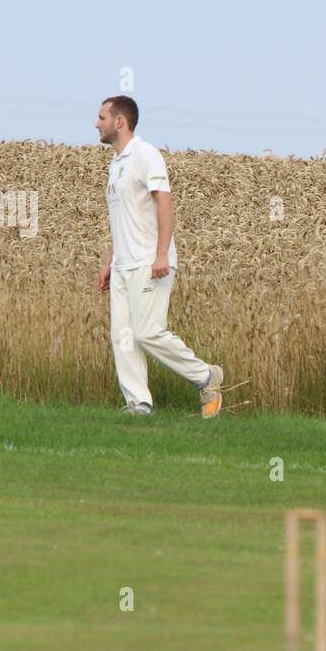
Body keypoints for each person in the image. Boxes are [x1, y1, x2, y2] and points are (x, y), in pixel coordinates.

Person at [94, 96, 224, 417]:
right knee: (123, 337)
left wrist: (161, 254)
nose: (96, 124)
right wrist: (110, 261)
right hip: (124, 265)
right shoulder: (115, 164)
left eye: (102, 118)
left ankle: (206, 376)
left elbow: (164, 202)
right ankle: (139, 404)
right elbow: (120, 218)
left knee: (148, 331)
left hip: (150, 262)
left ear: (119, 122)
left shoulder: (145, 155)